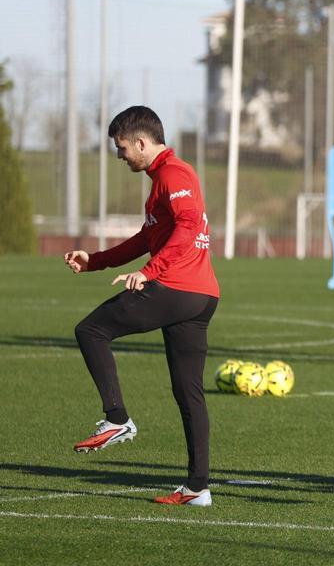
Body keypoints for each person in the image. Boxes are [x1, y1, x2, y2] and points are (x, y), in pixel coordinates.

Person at [64, 105, 220, 507]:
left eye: (121, 148)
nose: (120, 156)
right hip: (200, 296)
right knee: (188, 394)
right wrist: (94, 260)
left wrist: (150, 272)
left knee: (91, 330)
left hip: (176, 288)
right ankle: (197, 488)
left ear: (141, 142)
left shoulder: (173, 173)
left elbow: (189, 225)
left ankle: (117, 419)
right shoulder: (160, 180)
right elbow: (144, 238)